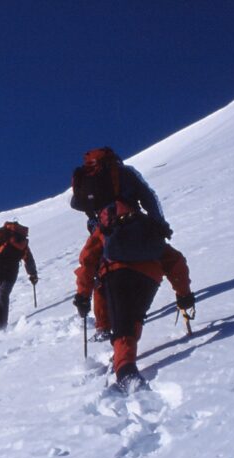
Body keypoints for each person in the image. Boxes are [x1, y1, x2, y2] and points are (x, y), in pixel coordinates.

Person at [70, 147, 194, 392]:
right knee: (131, 318)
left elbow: (87, 261)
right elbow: (175, 261)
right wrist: (184, 296)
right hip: (149, 273)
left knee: (121, 317)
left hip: (113, 266)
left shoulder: (100, 225)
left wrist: (82, 297)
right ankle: (120, 354)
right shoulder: (143, 221)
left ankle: (121, 362)